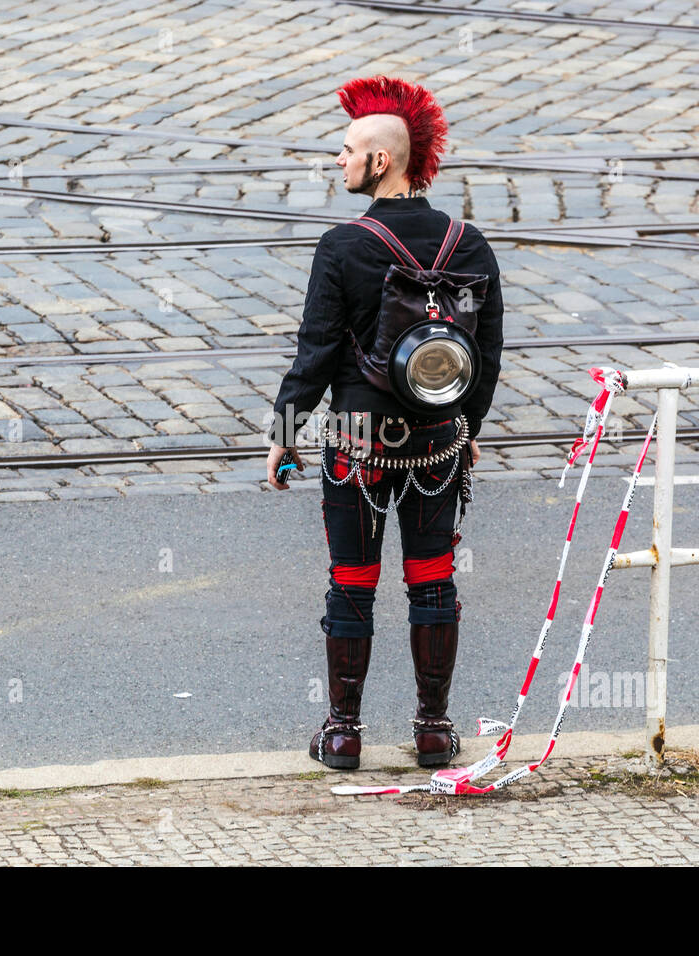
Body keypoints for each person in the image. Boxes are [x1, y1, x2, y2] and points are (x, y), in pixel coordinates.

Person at [265, 75, 504, 770]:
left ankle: (343, 732)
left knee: (352, 582)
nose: (338, 162)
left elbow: (313, 357)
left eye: (347, 151)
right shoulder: (470, 243)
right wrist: (471, 432)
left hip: (359, 447)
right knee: (433, 581)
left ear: (382, 161)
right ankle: (433, 730)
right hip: (437, 444)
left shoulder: (343, 247)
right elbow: (485, 358)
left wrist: (284, 437)